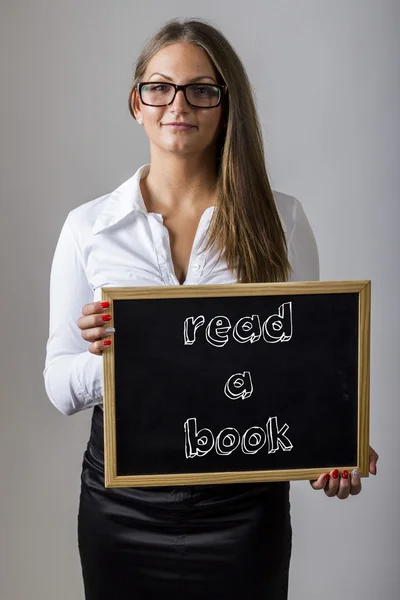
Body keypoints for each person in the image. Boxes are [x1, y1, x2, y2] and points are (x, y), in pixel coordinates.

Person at [44, 18, 378, 600]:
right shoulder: (87, 227)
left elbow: (301, 372)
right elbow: (57, 382)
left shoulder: (282, 219)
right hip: (120, 506)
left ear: (226, 106)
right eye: (160, 87)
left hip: (243, 509)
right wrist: (115, 359)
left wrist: (334, 445)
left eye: (202, 89)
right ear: (136, 103)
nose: (179, 104)